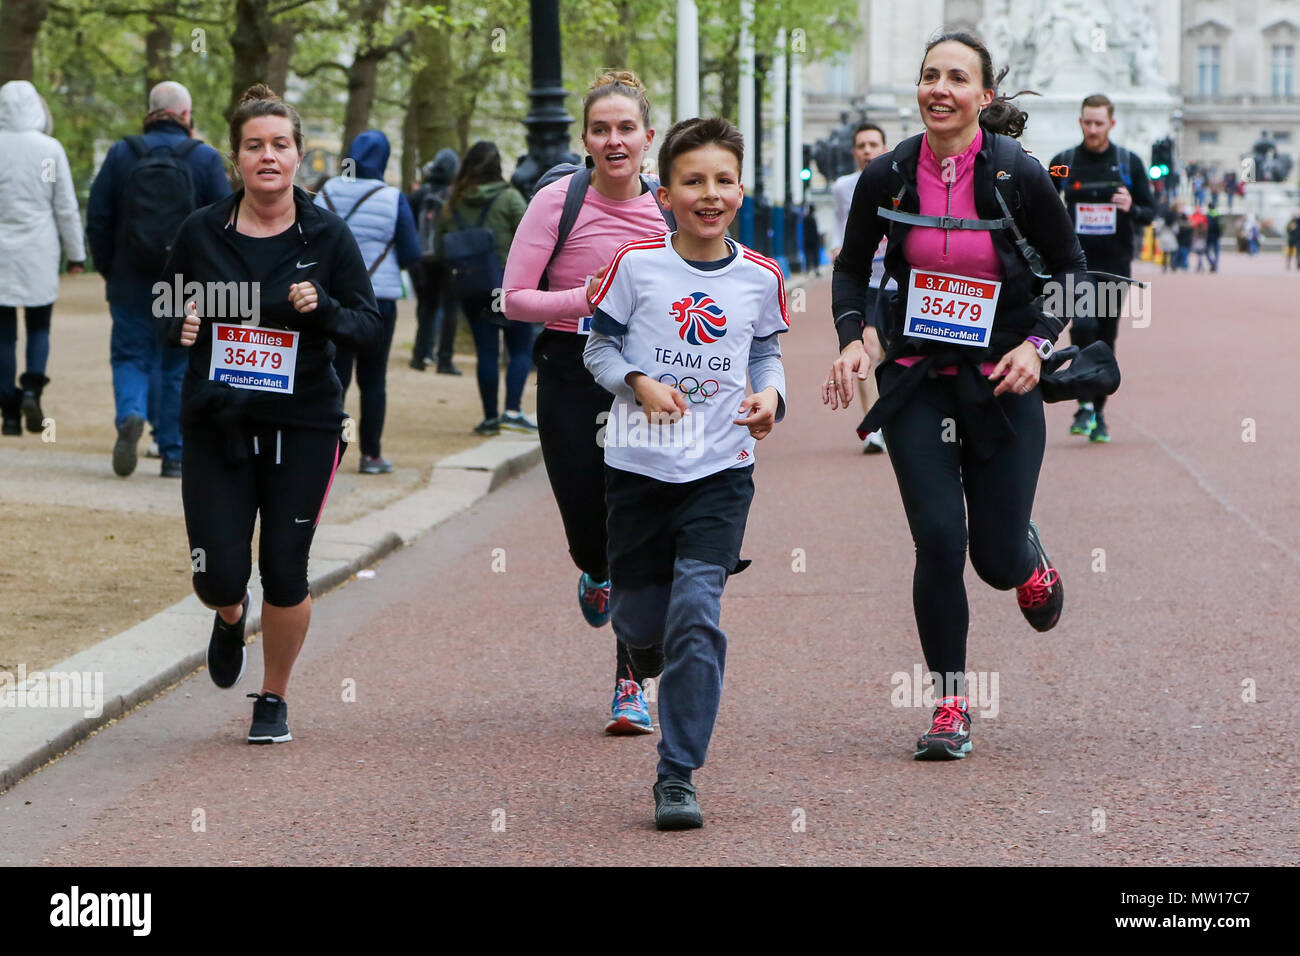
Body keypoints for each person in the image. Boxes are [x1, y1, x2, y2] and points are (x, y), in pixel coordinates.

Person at [826, 31, 1081, 761]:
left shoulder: (1017, 175)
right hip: (916, 380)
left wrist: (1036, 348)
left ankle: (1026, 559)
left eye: (957, 78)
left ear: (984, 95)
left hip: (1001, 383)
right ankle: (950, 704)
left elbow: (1069, 269)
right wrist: (854, 338)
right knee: (939, 541)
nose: (940, 89)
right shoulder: (891, 174)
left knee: (993, 560)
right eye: (929, 75)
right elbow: (850, 270)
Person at [158, 84, 382, 743]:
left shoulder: (327, 235)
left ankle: (273, 697)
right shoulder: (201, 232)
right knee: (219, 574)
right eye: (254, 145)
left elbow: (368, 329)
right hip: (216, 424)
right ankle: (229, 616)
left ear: (298, 157)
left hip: (304, 424)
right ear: (235, 160)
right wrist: (184, 324)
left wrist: (326, 312)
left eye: (279, 145)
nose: (267, 156)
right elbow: (166, 309)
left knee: (285, 567)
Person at [584, 116, 787, 829]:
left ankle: (677, 774)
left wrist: (772, 398)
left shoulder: (762, 276)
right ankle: (638, 645)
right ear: (663, 192)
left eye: (723, 180)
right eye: (693, 181)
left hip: (720, 468)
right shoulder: (636, 266)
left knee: (697, 615)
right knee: (643, 622)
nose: (710, 193)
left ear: (742, 189)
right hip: (638, 466)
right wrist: (636, 381)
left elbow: (764, 355)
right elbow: (598, 350)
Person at [502, 71, 675, 736]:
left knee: (636, 528)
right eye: (601, 129)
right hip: (570, 373)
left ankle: (630, 684)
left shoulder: (668, 210)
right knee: (589, 530)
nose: (614, 140)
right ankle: (592, 569)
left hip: (644, 382)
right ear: (585, 138)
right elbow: (514, 298)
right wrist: (585, 300)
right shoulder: (556, 203)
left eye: (626, 128)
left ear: (648, 139)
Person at [87, 80, 231, 477]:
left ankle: (131, 414)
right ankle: (173, 453)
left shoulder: (122, 153)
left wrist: (109, 267)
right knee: (176, 362)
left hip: (130, 277)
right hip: (182, 283)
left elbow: (98, 217)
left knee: (131, 355)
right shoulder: (203, 158)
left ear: (150, 110)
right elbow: (223, 223)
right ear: (187, 115)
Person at [313, 129, 421, 474]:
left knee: (334, 376)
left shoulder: (327, 190)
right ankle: (371, 454)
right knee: (373, 381)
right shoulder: (392, 198)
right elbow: (411, 254)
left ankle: (327, 451)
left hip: (333, 301)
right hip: (378, 302)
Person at [1049, 93, 1154, 444]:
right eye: (1087, 122)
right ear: (1080, 122)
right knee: (1083, 329)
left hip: (1114, 266)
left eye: (1099, 123)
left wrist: (1131, 207)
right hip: (1075, 265)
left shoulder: (1129, 163)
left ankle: (1099, 412)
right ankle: (1083, 405)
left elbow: (1151, 211)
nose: (1092, 129)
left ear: (1111, 123)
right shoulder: (1062, 163)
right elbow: (1040, 208)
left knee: (1105, 337)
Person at [0, 80, 86, 436]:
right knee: (39, 326)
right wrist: (76, 253)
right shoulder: (49, 150)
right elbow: (63, 206)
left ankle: (8, 411)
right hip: (39, 248)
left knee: (4, 336)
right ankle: (33, 388)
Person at [435, 142, 532, 435]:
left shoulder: (453, 202)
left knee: (486, 352)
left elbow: (442, 246)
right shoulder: (510, 198)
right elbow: (530, 236)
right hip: (508, 285)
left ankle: (490, 418)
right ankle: (512, 412)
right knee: (520, 349)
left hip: (472, 285)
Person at [831, 122, 893, 454]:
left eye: (873, 144)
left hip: (898, 282)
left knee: (895, 355)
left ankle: (898, 416)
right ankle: (874, 426)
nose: (867, 150)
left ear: (885, 148)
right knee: (868, 348)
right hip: (866, 281)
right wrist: (837, 248)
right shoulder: (843, 187)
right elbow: (840, 225)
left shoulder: (900, 180)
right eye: (861, 145)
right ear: (854, 151)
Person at [407, 149, 460, 372]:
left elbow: (408, 223)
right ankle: (445, 359)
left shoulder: (420, 194)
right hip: (449, 259)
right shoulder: (456, 194)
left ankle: (419, 356)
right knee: (450, 309)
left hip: (423, 258)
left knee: (427, 307)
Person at [1205, 200, 1222, 272]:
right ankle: (1216, 265)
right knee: (1216, 251)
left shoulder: (1208, 215)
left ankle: (1212, 263)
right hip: (1217, 235)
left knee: (1207, 251)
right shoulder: (1217, 214)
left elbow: (1207, 226)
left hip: (1209, 235)